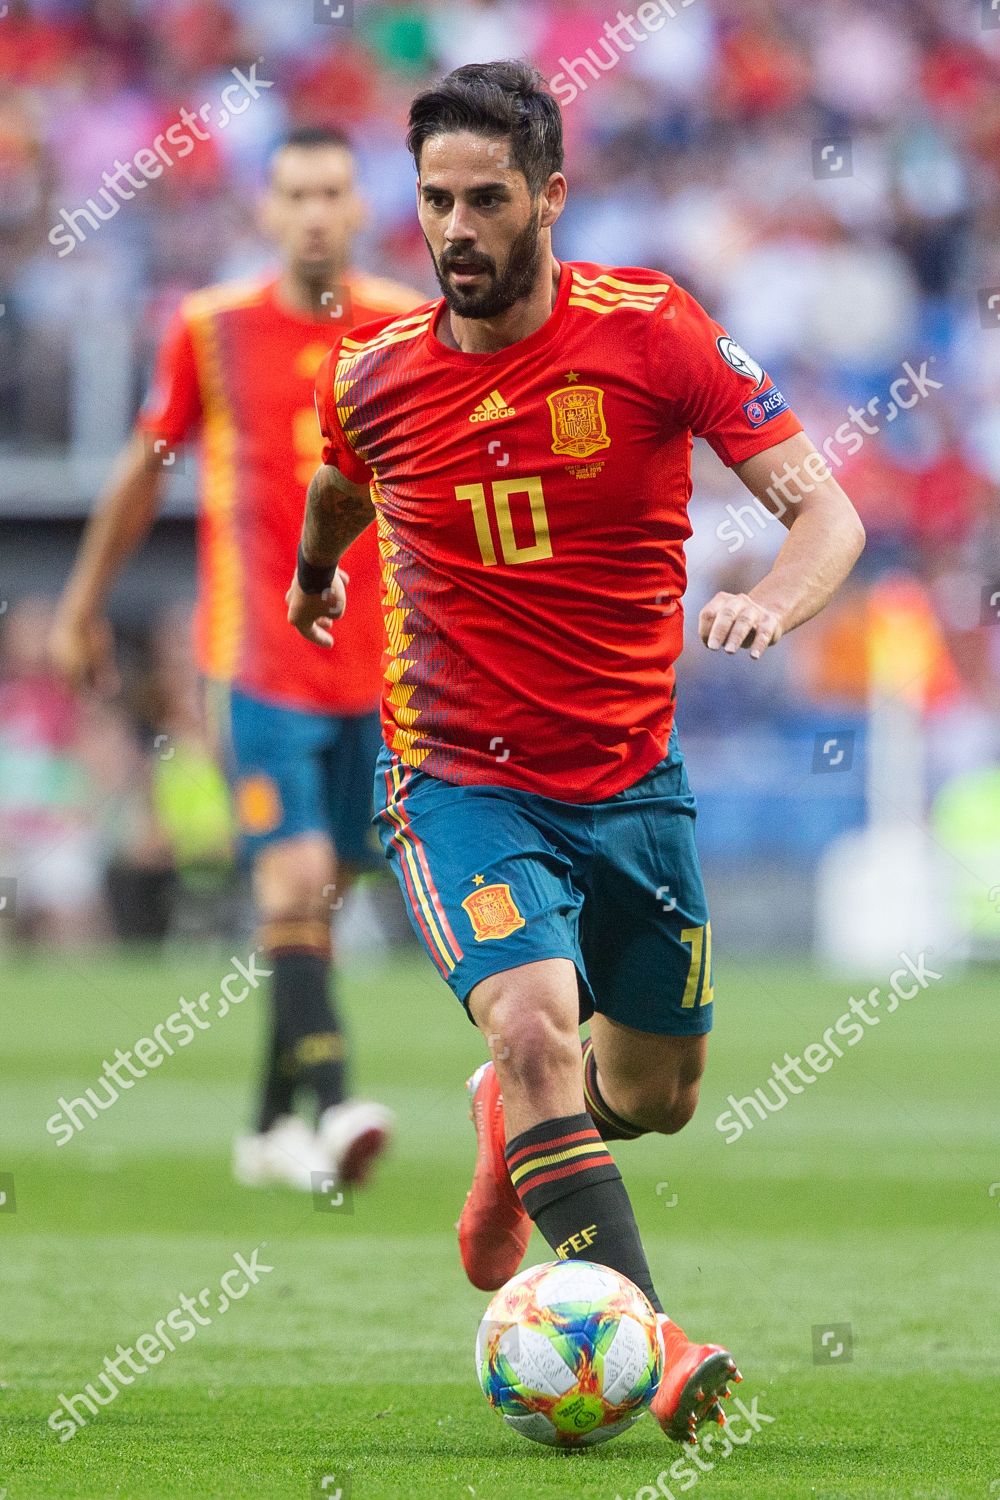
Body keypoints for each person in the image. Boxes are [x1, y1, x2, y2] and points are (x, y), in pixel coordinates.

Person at [287, 63, 865, 1442]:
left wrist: (766, 602)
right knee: (538, 1021)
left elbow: (826, 515)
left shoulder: (654, 334)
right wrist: (316, 577)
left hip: (628, 780)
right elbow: (337, 484)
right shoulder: (376, 378)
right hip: (458, 780)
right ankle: (653, 1343)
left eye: (487, 198)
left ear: (551, 194)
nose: (456, 230)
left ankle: (513, 1127)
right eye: (434, 202)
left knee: (652, 1098)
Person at [50, 125, 423, 1192]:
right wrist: (82, 603)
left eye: (332, 193)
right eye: (294, 193)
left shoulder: (406, 325)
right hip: (254, 658)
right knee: (296, 879)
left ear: (359, 210)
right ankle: (338, 1101)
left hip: (376, 667)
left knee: (324, 893)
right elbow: (141, 470)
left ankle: (266, 1124)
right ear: (267, 210)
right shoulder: (210, 329)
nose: (313, 212)